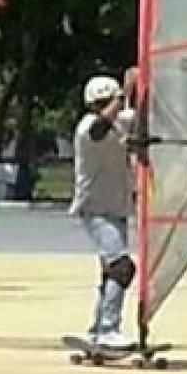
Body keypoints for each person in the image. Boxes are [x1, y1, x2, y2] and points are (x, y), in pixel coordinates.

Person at [68, 66, 140, 350]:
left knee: (111, 271)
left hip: (118, 208)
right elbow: (100, 128)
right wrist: (124, 93)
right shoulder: (87, 127)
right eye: (106, 103)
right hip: (95, 209)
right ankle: (108, 330)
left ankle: (97, 328)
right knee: (122, 267)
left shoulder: (121, 122)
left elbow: (137, 121)